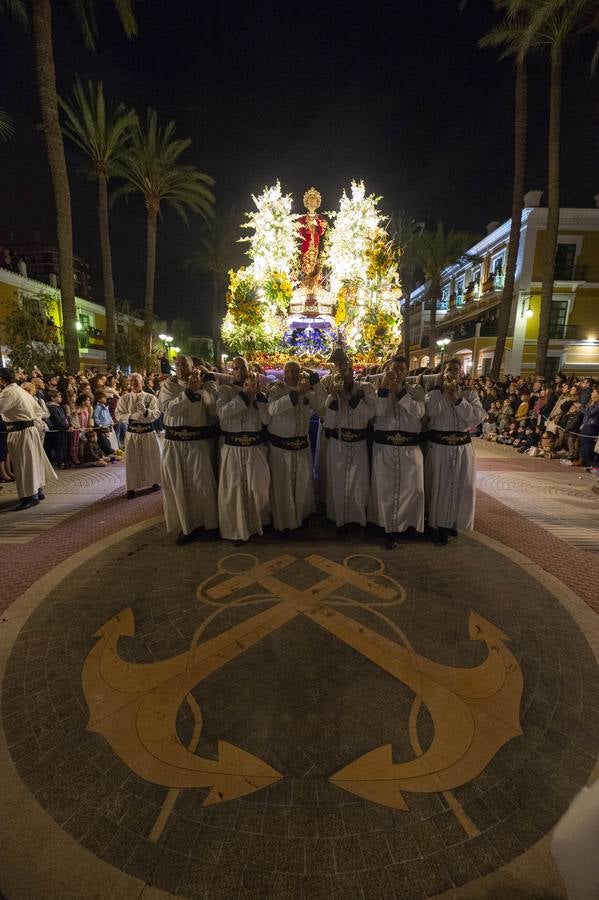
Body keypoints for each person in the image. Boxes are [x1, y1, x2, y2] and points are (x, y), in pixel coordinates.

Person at [424, 358, 486, 545]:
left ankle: (452, 522)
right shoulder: (434, 393)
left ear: (461, 373)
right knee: (439, 486)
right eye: (449, 369)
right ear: (442, 372)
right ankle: (438, 525)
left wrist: (458, 400)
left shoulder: (469, 394)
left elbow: (477, 418)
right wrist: (441, 392)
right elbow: (430, 412)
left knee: (460, 486)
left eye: (456, 370)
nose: (452, 373)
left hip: (461, 447)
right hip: (440, 448)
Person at [158, 356, 219, 544]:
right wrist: (189, 392)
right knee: (178, 484)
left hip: (197, 442)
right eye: (177, 364)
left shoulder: (202, 385)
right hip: (174, 443)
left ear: (193, 367)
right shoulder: (169, 385)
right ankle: (186, 526)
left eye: (185, 364)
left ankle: (209, 525)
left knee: (202, 483)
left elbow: (212, 409)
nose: (180, 367)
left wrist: (206, 385)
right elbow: (168, 409)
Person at [368, 357, 425, 548]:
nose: (397, 373)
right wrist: (384, 390)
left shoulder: (416, 391)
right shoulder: (379, 391)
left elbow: (418, 413)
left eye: (401, 369)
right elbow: (378, 413)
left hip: (409, 448)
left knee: (413, 489)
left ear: (407, 372)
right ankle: (387, 528)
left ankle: (408, 525)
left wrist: (400, 393)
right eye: (393, 369)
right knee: (386, 490)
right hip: (385, 448)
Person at [217, 357, 271, 542]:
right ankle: (238, 530)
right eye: (236, 368)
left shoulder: (260, 393)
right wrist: (245, 396)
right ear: (232, 371)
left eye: (243, 368)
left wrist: (258, 399)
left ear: (249, 370)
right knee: (235, 490)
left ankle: (258, 525)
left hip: (255, 448)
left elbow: (266, 421)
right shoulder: (225, 391)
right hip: (233, 448)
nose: (239, 371)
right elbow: (222, 414)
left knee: (258, 489)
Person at [267, 361, 325, 532]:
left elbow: (322, 409)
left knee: (302, 485)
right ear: (283, 373)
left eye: (296, 371)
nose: (292, 374)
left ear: (301, 373)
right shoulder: (276, 390)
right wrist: (295, 394)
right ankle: (283, 523)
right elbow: (272, 409)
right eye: (288, 371)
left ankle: (301, 518)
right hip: (281, 449)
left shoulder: (308, 392)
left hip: (301, 447)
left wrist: (317, 384)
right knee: (282, 486)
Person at [324, 353, 375, 530]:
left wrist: (346, 395)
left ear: (352, 370)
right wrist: (334, 399)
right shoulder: (332, 392)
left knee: (358, 483)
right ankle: (338, 519)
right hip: (338, 443)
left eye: (344, 370)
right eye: (337, 371)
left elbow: (369, 415)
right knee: (337, 482)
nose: (341, 374)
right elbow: (329, 422)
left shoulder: (366, 387)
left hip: (359, 442)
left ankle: (357, 519)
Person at [0, 367, 56, 510]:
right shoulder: (20, 390)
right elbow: (38, 410)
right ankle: (37, 491)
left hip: (21, 432)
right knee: (32, 463)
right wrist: (32, 422)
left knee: (24, 465)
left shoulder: (8, 392)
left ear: (2, 379)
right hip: (29, 430)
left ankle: (29, 497)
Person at [115, 373, 162, 499]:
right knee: (132, 460)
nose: (133, 383)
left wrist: (146, 412)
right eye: (131, 381)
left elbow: (157, 413)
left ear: (142, 382)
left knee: (151, 458)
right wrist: (130, 416)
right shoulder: (124, 398)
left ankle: (155, 481)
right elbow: (118, 414)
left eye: (136, 381)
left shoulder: (150, 397)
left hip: (148, 433)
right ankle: (131, 487)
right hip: (132, 434)